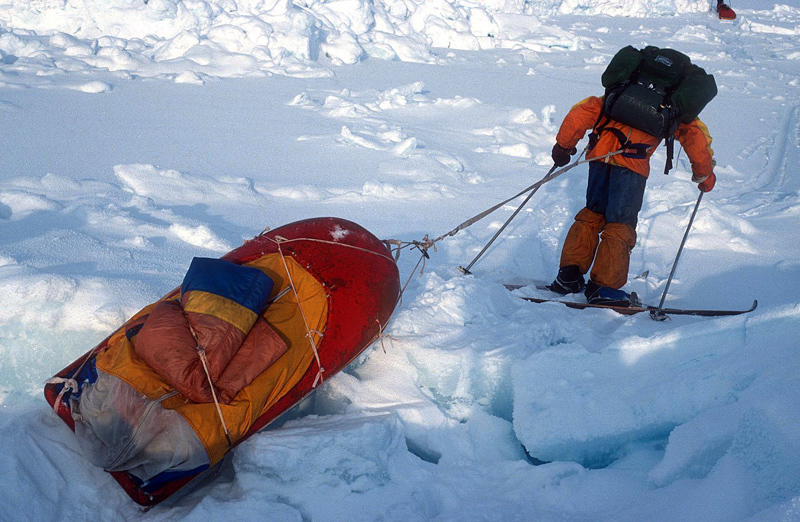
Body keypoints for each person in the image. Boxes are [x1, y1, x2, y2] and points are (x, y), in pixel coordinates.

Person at [548, 94, 716, 306]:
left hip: (599, 158)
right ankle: (604, 288)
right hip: (632, 166)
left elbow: (583, 110)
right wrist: (704, 173)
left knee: (592, 213)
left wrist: (564, 146)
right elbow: (694, 133)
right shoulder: (673, 99)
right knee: (620, 224)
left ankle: (568, 277)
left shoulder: (623, 87)